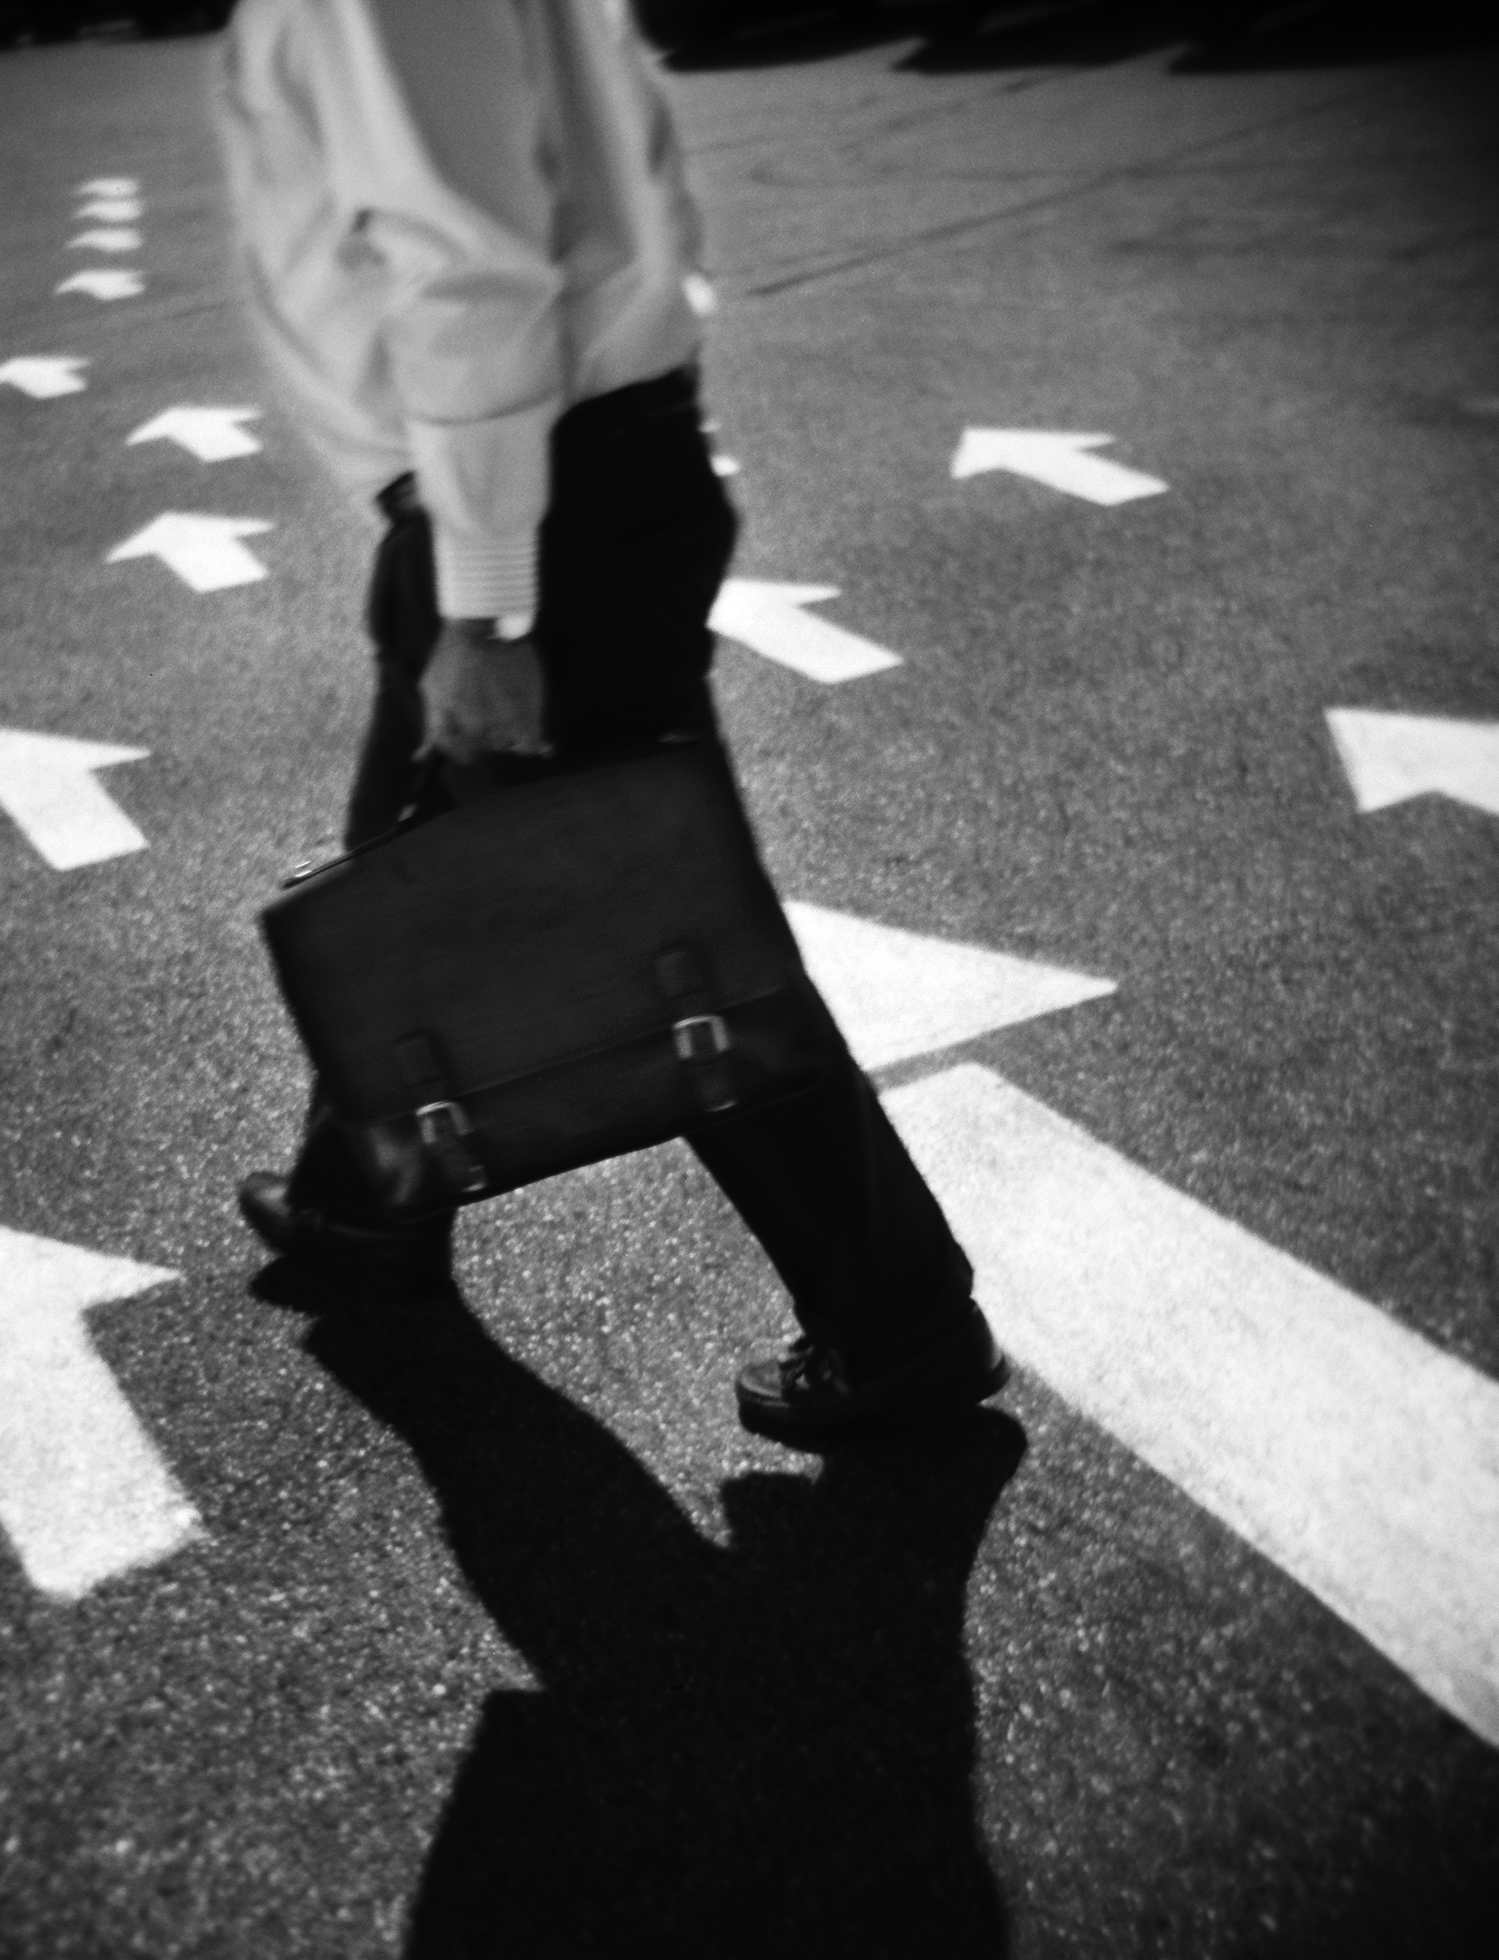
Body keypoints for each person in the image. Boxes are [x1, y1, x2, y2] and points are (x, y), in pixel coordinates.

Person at [216, 0, 1008, 1444]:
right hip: (565, 478)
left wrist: (487, 603)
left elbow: (468, 264)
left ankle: (899, 1328)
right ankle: (362, 1200)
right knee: (418, 870)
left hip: (539, 502)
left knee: (660, 938)